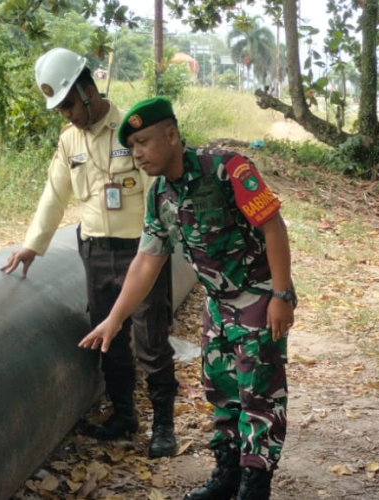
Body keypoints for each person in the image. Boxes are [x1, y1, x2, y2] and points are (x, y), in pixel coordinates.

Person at [78, 97, 295, 500]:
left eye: (143, 142)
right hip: (217, 306)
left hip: (258, 301)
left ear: (172, 134)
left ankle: (254, 486)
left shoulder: (227, 168)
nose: (138, 154)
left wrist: (281, 295)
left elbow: (273, 228)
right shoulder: (159, 193)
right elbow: (147, 260)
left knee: (259, 396)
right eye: (132, 147)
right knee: (222, 390)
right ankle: (228, 474)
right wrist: (115, 318)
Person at [0, 48, 180, 458]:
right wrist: (33, 245)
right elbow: (55, 194)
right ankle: (124, 415)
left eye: (67, 104)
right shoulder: (69, 142)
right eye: (59, 108)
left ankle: (164, 425)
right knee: (108, 336)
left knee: (151, 338)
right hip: (96, 249)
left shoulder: (132, 129)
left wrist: (163, 242)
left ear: (86, 89)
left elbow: (156, 188)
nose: (65, 113)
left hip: (141, 250)